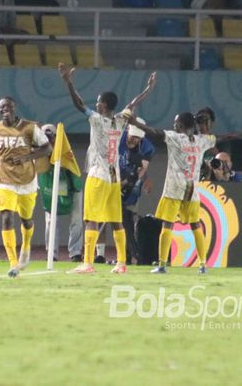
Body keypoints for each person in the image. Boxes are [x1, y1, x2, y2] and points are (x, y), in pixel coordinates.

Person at [127, 112, 242, 274]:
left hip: (173, 190)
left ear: (181, 125)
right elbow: (225, 136)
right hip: (191, 192)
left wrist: (136, 123)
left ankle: (161, 265)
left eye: (176, 122)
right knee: (195, 225)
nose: (174, 125)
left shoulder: (175, 137)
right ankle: (203, 265)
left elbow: (154, 132)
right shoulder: (201, 140)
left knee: (167, 225)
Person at [59, 63, 156, 274]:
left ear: (103, 105)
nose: (96, 104)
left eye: (98, 102)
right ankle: (121, 262)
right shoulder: (121, 120)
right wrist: (149, 89)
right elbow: (134, 103)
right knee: (115, 221)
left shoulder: (96, 119)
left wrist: (69, 83)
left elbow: (79, 104)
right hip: (114, 178)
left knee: (91, 219)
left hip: (97, 175)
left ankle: (87, 262)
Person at [0, 97, 52, 277]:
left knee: (26, 219)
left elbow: (47, 148)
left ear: (14, 108)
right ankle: (13, 263)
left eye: (8, 106)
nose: (5, 109)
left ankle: (26, 245)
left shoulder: (29, 128)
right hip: (5, 179)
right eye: (2, 107)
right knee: (7, 217)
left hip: (27, 180)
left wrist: (27, 157)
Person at [98, 118, 155, 264]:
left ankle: (128, 256)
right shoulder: (117, 138)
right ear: (127, 131)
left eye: (138, 138)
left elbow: (143, 168)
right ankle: (99, 254)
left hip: (130, 184)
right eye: (133, 136)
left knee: (126, 219)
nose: (135, 140)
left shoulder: (147, 147)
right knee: (101, 218)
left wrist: (128, 182)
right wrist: (115, 185)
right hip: (111, 179)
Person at [38, 124, 83, 261]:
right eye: (44, 136)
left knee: (76, 219)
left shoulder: (65, 150)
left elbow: (72, 171)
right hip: (51, 188)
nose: (48, 139)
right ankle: (51, 253)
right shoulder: (38, 151)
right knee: (51, 221)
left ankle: (75, 252)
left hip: (71, 186)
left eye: (50, 135)